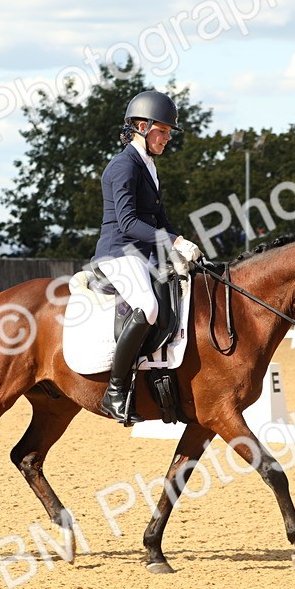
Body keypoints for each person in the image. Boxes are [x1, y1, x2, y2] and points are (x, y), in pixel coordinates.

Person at [91, 90, 202, 423]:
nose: (167, 138)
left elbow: (159, 218)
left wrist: (182, 247)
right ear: (142, 125)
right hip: (117, 253)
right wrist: (173, 240)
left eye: (169, 132)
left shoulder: (149, 166)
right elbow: (127, 222)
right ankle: (115, 391)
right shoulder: (122, 166)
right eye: (163, 131)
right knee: (149, 307)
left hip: (144, 254)